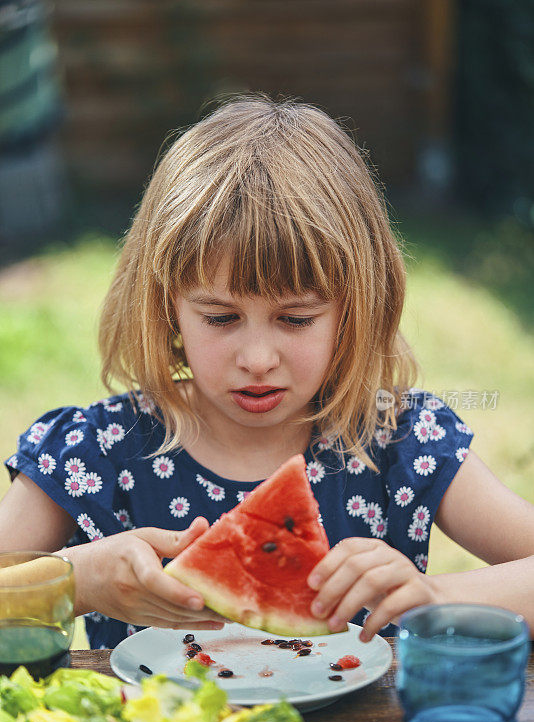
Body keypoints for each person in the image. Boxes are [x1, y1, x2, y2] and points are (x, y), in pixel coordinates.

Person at [1, 96, 533, 650]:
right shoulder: (96, 453)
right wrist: (74, 582)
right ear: (168, 307)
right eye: (221, 317)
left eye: (296, 318)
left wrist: (435, 599)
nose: (257, 358)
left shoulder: (398, 438)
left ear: (353, 309)